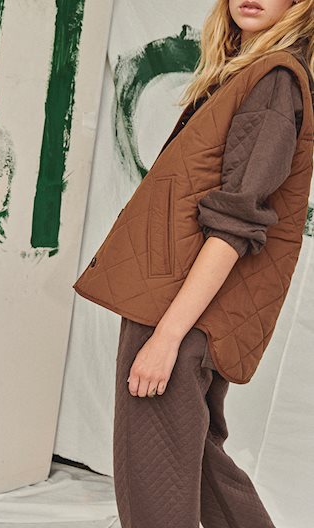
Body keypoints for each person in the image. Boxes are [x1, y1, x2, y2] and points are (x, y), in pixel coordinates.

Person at [73, 0, 313, 526]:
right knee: (200, 465)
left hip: (182, 310)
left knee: (153, 484)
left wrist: (166, 336)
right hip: (188, 303)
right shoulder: (251, 73)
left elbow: (234, 226)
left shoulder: (274, 80)